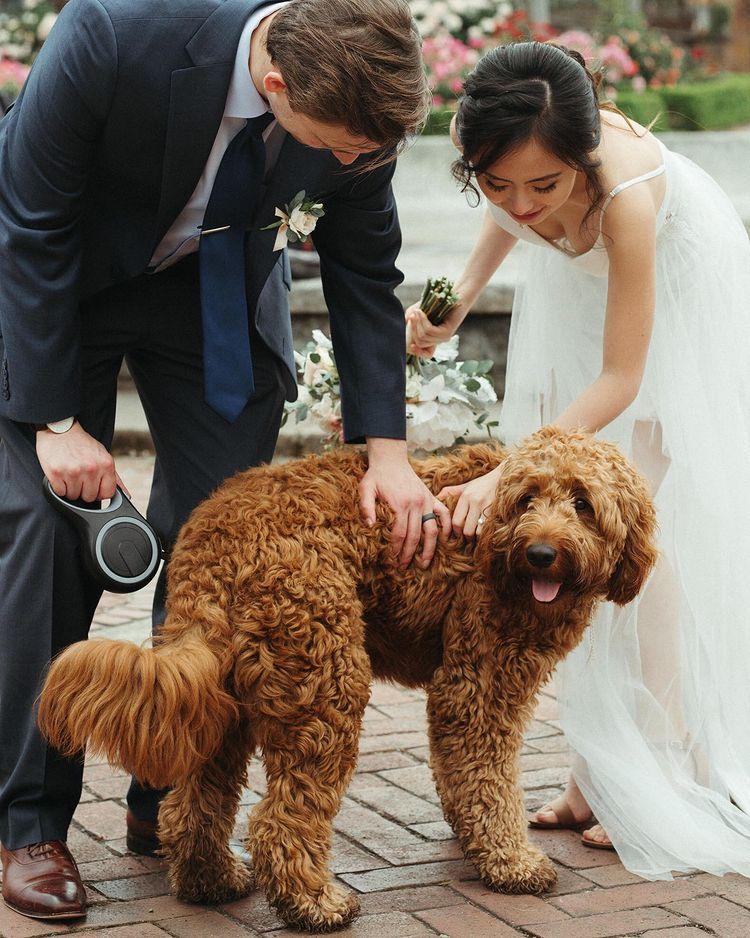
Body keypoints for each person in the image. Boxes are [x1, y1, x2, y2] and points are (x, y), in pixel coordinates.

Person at [0, 0, 452, 921]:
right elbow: (31, 228)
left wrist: (389, 455)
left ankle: (171, 797)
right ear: (276, 85)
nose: (358, 166)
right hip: (58, 288)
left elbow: (366, 272)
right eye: (342, 151)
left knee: (230, 543)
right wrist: (53, 421)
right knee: (44, 533)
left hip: (212, 297)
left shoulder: (361, 93)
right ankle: (30, 822)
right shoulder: (109, 34)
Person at [407, 40, 750, 878]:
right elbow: (507, 211)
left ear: (582, 155)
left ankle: (667, 768)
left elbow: (622, 378)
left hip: (673, 302)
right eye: (496, 183)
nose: (521, 206)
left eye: (544, 185)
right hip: (580, 288)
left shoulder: (625, 197)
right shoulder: (506, 159)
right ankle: (593, 772)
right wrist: (458, 300)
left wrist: (506, 472)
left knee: (633, 537)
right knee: (563, 552)